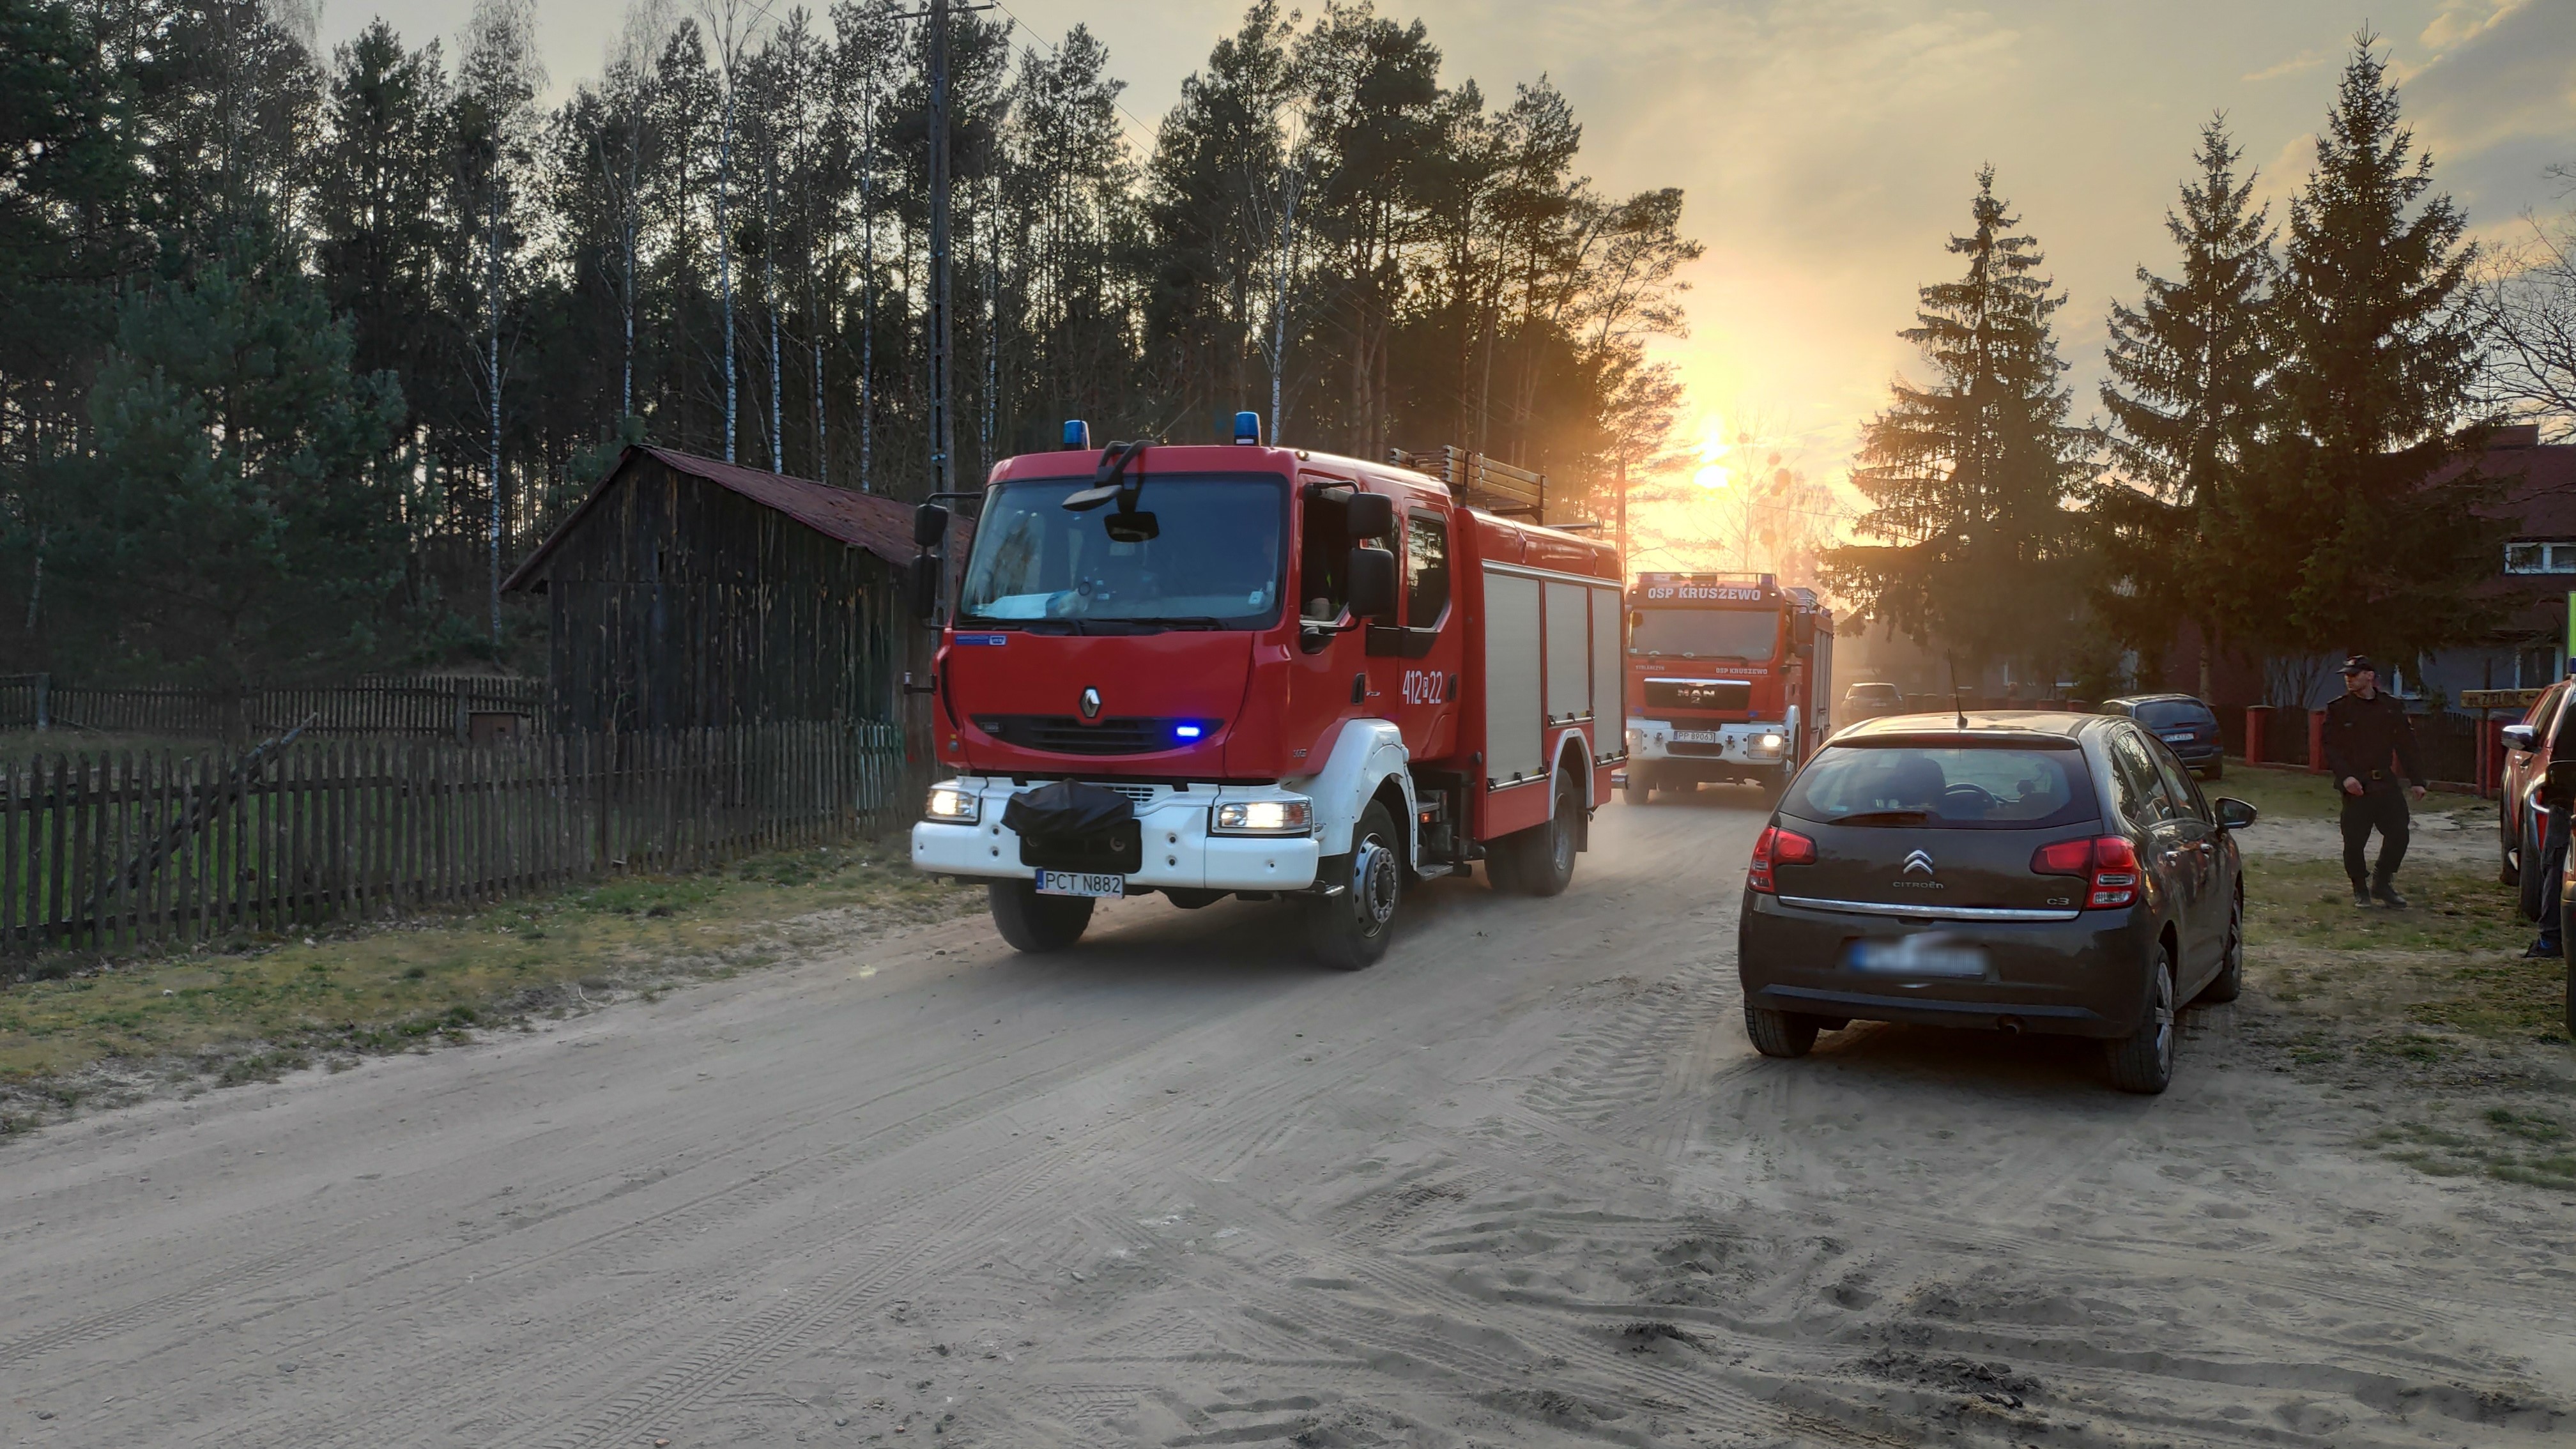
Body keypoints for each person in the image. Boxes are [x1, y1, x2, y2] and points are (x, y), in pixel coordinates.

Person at [2321, 655, 2425, 907]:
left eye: (2354, 674)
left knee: (2399, 833)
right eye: (2347, 675)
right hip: (2356, 784)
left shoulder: (2390, 707)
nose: (2349, 679)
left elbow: (2406, 744)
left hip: (2384, 782)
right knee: (2355, 840)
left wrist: (2417, 780)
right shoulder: (2339, 709)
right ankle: (2360, 887)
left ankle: (2382, 882)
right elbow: (2331, 748)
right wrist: (2346, 777)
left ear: (2370, 676)